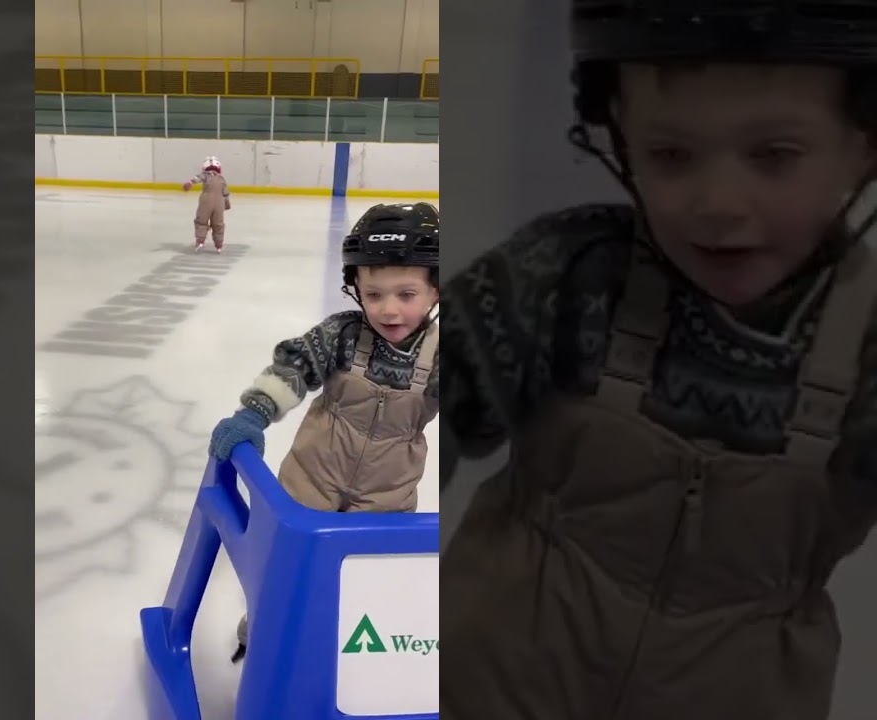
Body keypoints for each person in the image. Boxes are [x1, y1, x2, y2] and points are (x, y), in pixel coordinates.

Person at [439, 2, 877, 718]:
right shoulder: (569, 274)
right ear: (620, 136)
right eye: (672, 155)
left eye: (774, 156)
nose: (718, 203)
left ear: (866, 146)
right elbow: (414, 414)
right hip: (487, 686)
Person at [208, 201, 440, 661]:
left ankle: (341, 653)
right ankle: (262, 632)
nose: (388, 309)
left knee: (363, 577)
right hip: (311, 475)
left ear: (436, 291)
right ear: (356, 290)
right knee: (286, 565)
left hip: (387, 494)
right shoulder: (343, 335)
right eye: (374, 295)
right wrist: (253, 413)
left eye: (406, 294)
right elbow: (293, 368)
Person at [182, 156, 231, 252]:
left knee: (201, 221)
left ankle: (200, 241)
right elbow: (225, 192)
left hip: (206, 200)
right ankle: (219, 244)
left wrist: (191, 182)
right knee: (218, 223)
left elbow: (198, 178)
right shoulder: (221, 179)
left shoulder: (206, 175)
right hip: (219, 202)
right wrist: (227, 202)